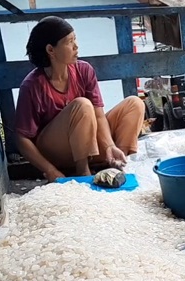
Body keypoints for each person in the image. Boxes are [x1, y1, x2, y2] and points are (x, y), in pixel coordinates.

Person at [14, 16, 145, 182]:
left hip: (89, 145)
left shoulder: (84, 70)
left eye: (75, 39)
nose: (76, 46)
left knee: (134, 104)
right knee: (82, 105)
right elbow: (22, 139)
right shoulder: (32, 85)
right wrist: (50, 170)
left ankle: (116, 165)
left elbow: (99, 115)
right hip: (58, 153)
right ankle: (83, 172)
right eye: (69, 42)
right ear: (51, 50)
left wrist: (110, 146)